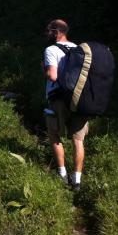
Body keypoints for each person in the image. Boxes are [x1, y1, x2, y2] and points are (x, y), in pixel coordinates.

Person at [42, 19, 89, 191]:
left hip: (58, 99)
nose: (47, 33)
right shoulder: (79, 49)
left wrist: (45, 70)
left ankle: (62, 174)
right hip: (79, 100)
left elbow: (52, 75)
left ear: (56, 32)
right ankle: (77, 180)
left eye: (49, 30)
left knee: (54, 134)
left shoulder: (51, 50)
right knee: (78, 140)